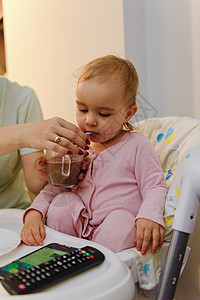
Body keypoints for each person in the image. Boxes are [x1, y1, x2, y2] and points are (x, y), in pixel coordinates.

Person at [20, 55, 168, 254]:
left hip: (112, 228)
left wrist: (149, 216)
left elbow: (154, 186)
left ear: (128, 114)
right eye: (82, 109)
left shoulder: (137, 144)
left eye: (104, 114)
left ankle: (97, 262)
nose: (89, 120)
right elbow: (53, 188)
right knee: (61, 204)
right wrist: (34, 215)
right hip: (79, 230)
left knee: (121, 221)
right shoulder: (77, 147)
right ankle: (63, 256)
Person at [0, 76, 89, 209]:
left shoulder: (22, 98)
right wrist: (22, 134)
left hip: (12, 213)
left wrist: (50, 176)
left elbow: (34, 182)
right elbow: (25, 134)